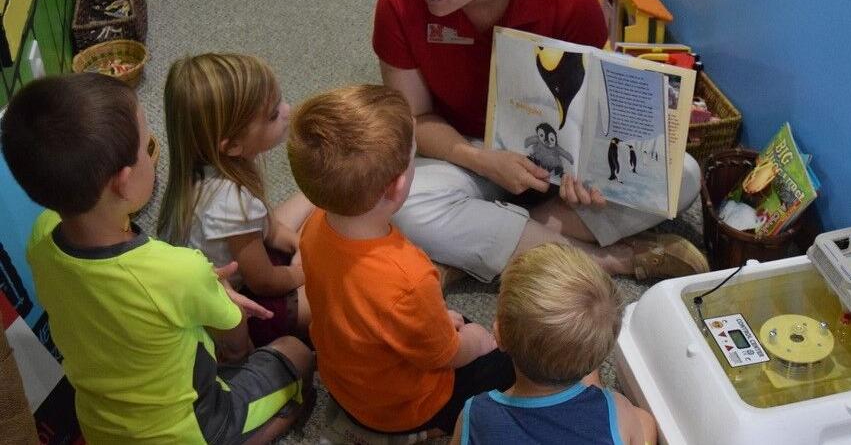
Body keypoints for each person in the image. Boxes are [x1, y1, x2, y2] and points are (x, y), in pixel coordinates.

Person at [373, 0, 706, 284]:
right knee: (404, 203)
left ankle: (487, 244)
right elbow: (415, 118)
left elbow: (593, 107)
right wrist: (481, 159)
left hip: (556, 163)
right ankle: (604, 259)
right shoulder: (398, 3)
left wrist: (585, 171)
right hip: (466, 151)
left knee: (683, 175)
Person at [0, 73, 314, 444]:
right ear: (124, 180)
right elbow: (235, 343)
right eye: (146, 144)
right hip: (190, 430)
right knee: (298, 355)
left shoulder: (41, 236)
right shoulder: (178, 270)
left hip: (101, 426)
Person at [287, 84, 516, 438]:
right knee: (504, 359)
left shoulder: (314, 227)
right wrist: (477, 340)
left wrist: (436, 321)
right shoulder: (409, 275)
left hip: (346, 385)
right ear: (397, 187)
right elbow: (446, 355)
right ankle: (438, 426)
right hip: (402, 409)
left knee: (447, 321)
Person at [157, 53, 314, 358]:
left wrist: (300, 244)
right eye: (272, 115)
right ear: (232, 146)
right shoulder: (231, 202)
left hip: (241, 262)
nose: (288, 111)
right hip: (241, 307)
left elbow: (270, 228)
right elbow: (265, 282)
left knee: (315, 204)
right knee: (337, 292)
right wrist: (307, 270)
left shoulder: (208, 168)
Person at [451, 243, 656, 444]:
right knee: (644, 421)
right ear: (598, 359)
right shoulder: (618, 411)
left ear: (499, 337)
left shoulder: (475, 415)